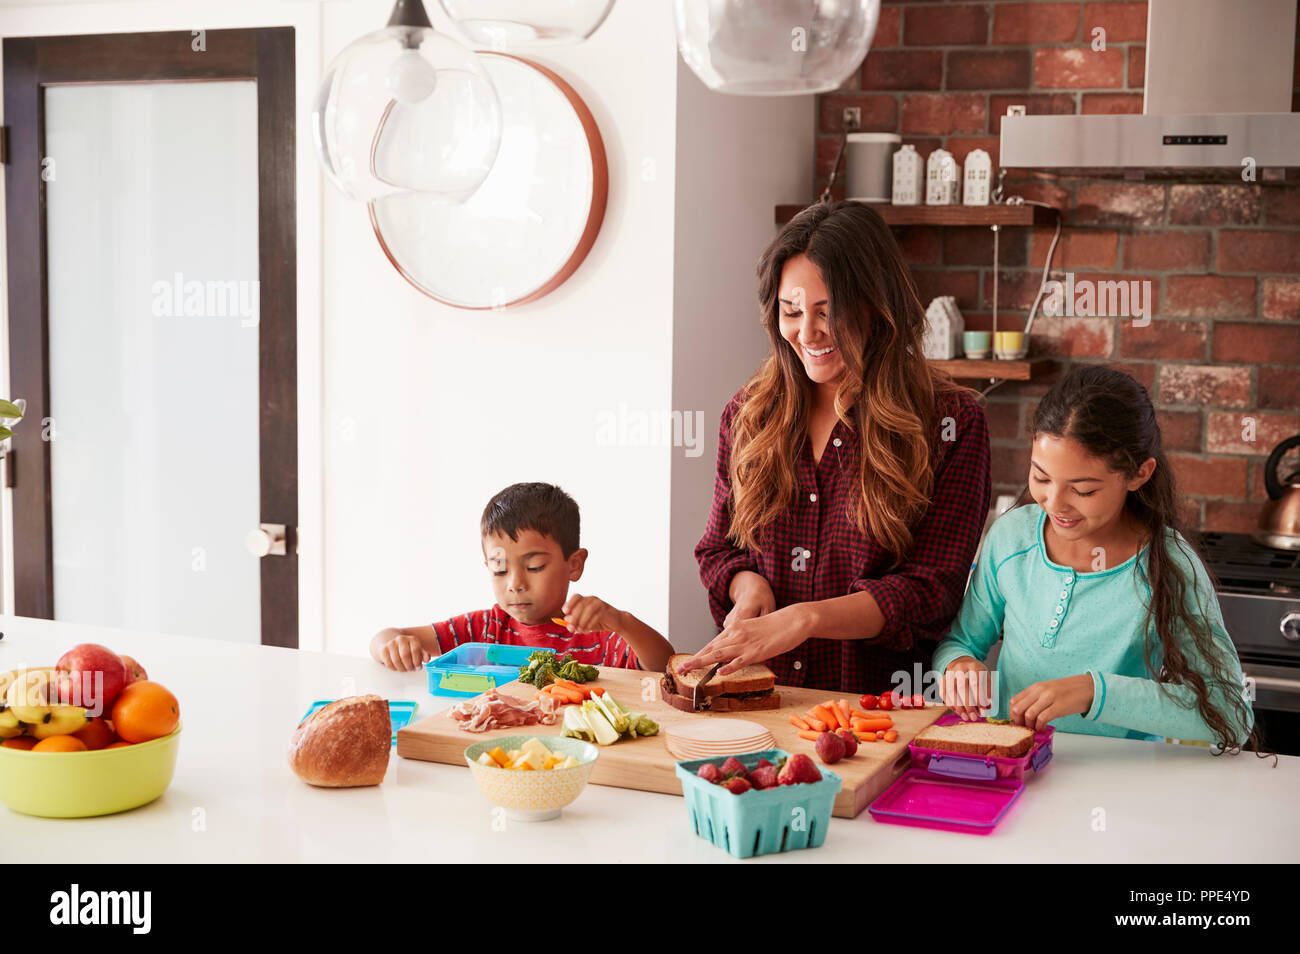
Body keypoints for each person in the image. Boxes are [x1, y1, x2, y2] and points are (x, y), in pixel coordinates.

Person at [684, 200, 991, 694]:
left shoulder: (949, 423)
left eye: (829, 312)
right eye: (792, 311)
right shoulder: (748, 415)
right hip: (762, 700)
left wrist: (806, 619)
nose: (807, 333)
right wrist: (749, 588)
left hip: (882, 714)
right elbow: (719, 549)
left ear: (877, 304)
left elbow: (931, 589)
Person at [935, 365, 1255, 750]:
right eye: (1041, 477)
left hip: (1119, 781)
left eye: (1083, 490)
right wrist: (958, 667)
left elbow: (1230, 713)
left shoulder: (1169, 566)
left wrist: (1094, 692)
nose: (1054, 504)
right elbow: (959, 642)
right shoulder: (1011, 537)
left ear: (1139, 474)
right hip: (1014, 769)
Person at [370, 482, 673, 674]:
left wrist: (622, 621)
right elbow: (385, 636)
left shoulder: (595, 636)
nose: (515, 583)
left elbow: (665, 666)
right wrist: (393, 645)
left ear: (575, 565)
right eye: (500, 569)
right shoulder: (484, 628)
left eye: (535, 566)